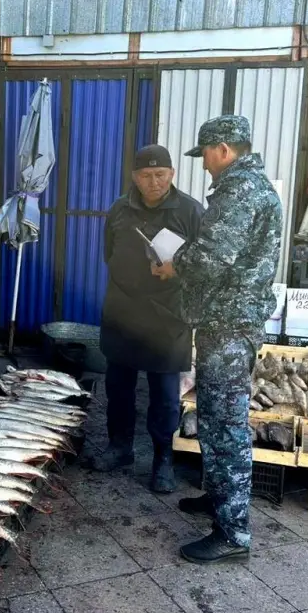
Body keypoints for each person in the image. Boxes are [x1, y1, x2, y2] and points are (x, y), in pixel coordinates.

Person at [151, 116, 282, 562]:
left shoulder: (239, 191)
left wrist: (173, 264)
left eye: (206, 155)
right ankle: (218, 498)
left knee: (226, 427)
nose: (204, 165)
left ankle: (232, 534)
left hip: (229, 324)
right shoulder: (253, 188)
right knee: (213, 414)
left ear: (224, 150)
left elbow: (212, 257)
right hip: (226, 321)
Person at [94, 145, 203, 493]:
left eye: (160, 174)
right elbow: (109, 253)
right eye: (145, 175)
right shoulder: (119, 209)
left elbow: (202, 265)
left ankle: (162, 459)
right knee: (118, 387)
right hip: (123, 310)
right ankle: (119, 448)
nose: (153, 182)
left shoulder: (191, 211)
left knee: (165, 395)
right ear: (134, 177)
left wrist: (176, 275)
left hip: (168, 315)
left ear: (172, 174)